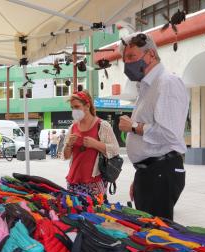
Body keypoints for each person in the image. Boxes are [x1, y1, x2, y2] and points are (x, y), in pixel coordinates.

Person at [118, 33, 188, 220]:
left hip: (161, 171)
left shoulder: (167, 83)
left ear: (150, 55)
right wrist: (141, 174)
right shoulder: (147, 87)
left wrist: (133, 126)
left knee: (156, 236)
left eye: (131, 57)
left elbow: (169, 134)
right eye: (124, 59)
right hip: (151, 171)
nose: (127, 63)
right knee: (148, 234)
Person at [63, 91, 120, 196]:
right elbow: (66, 156)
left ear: (87, 105)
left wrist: (95, 144)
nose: (74, 111)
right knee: (74, 211)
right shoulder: (73, 127)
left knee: (95, 211)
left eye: (77, 106)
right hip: (73, 181)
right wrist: (68, 144)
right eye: (72, 108)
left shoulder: (102, 125)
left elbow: (115, 150)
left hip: (94, 181)